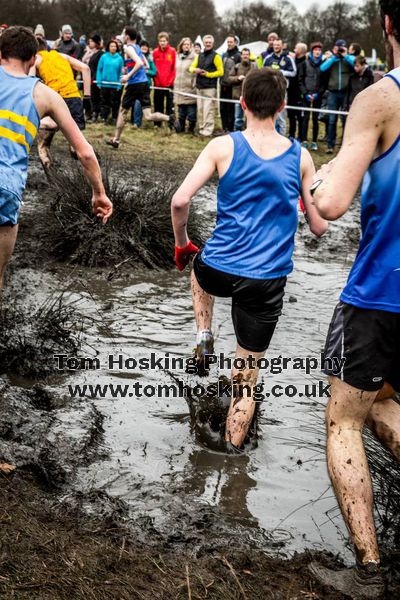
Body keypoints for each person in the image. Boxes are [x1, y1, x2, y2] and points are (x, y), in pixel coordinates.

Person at [171, 68, 327, 450]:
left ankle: (204, 335)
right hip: (266, 281)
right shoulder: (300, 156)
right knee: (246, 379)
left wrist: (182, 242)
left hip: (218, 268)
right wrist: (316, 185)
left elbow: (179, 200)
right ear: (283, 106)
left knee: (198, 264)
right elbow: (319, 227)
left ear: (241, 103)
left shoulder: (223, 147)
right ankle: (232, 456)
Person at [308, 2, 400, 597]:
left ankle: (368, 569)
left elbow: (333, 203)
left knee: (344, 419)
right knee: (385, 405)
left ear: (388, 25)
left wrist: (315, 177)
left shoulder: (380, 98)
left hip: (382, 292)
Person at [0, 26, 112, 288]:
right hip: (6, 187)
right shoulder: (44, 94)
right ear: (32, 60)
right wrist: (99, 193)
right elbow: (84, 151)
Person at [106, 27, 177, 149]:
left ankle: (116, 140)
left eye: (123, 34)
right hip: (144, 83)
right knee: (148, 115)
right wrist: (128, 68)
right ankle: (169, 118)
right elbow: (146, 64)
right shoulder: (138, 47)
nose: (122, 36)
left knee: (122, 111)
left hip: (134, 85)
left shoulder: (127, 47)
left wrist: (128, 75)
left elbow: (139, 63)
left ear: (127, 36)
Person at [32, 37, 91, 168]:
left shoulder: (36, 59)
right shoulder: (61, 56)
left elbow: (29, 81)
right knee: (78, 148)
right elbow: (86, 68)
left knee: (43, 145)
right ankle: (95, 171)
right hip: (74, 99)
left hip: (56, 101)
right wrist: (87, 97)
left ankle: (52, 179)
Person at [320, 39, 355, 153]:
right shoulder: (332, 59)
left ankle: (344, 145)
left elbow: (355, 64)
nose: (340, 50)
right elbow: (322, 68)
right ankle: (330, 145)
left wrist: (346, 56)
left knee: (345, 119)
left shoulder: (349, 59)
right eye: (338, 48)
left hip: (346, 93)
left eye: (342, 48)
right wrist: (334, 57)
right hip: (333, 92)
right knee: (332, 120)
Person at [189, 35, 223, 137]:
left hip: (210, 87)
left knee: (208, 110)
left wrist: (208, 74)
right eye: (206, 42)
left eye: (209, 42)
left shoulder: (216, 56)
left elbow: (221, 72)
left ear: (212, 44)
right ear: (203, 43)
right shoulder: (200, 55)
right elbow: (191, 67)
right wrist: (195, 70)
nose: (208, 44)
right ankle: (201, 129)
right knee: (200, 110)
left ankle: (208, 130)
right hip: (199, 87)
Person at [263, 39, 296, 135]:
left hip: (282, 90)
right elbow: (263, 71)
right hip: (269, 90)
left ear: (282, 46)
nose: (276, 47)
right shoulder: (268, 58)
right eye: (275, 45)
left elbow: (294, 72)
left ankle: (282, 138)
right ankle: (270, 136)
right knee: (269, 114)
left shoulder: (288, 58)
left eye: (278, 45)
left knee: (281, 116)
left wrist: (280, 71)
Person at [299, 41, 326, 150]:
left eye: (319, 50)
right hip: (306, 94)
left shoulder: (324, 64)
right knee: (305, 118)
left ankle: (314, 141)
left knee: (315, 119)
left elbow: (324, 82)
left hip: (317, 96)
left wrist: (318, 94)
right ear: (312, 51)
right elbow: (300, 80)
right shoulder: (305, 63)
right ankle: (304, 140)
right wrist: (305, 93)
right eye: (315, 50)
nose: (317, 52)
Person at [97, 39, 124, 124]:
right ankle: (104, 117)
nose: (113, 48)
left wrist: (119, 84)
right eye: (111, 46)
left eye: (115, 46)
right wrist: (99, 81)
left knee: (115, 103)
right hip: (105, 84)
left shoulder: (119, 58)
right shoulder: (104, 57)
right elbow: (99, 69)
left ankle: (114, 118)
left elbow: (121, 72)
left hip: (115, 85)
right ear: (108, 47)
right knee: (104, 102)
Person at [228, 48, 256, 131]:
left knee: (250, 116)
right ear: (241, 55)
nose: (245, 56)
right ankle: (238, 131)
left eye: (247, 54)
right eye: (244, 54)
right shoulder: (236, 66)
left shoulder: (254, 66)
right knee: (238, 117)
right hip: (238, 95)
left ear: (249, 55)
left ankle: (249, 131)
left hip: (251, 96)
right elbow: (229, 78)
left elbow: (259, 78)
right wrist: (238, 78)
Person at [152, 32, 176, 126]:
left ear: (167, 41)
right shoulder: (155, 52)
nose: (162, 43)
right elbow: (153, 67)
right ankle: (157, 124)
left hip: (169, 85)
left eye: (164, 41)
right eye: (161, 41)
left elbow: (173, 68)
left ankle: (171, 124)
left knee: (170, 106)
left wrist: (170, 82)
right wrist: (156, 81)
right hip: (158, 84)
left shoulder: (172, 51)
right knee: (158, 105)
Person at [132, 40, 157, 128]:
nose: (144, 48)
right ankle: (136, 122)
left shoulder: (150, 59)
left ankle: (138, 122)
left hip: (146, 84)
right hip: (136, 83)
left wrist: (146, 71)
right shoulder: (135, 57)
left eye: (146, 46)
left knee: (140, 104)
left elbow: (154, 72)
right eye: (142, 46)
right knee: (135, 103)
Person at [174, 38, 197, 134]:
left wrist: (194, 84)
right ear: (181, 46)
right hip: (179, 87)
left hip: (190, 87)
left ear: (191, 46)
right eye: (184, 44)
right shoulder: (177, 57)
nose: (186, 46)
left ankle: (191, 129)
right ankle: (181, 128)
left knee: (191, 113)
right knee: (181, 112)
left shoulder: (195, 57)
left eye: (188, 44)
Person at [220, 34, 241, 133]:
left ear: (235, 42)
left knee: (231, 108)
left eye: (231, 42)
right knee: (222, 107)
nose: (229, 44)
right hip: (223, 84)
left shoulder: (238, 55)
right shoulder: (224, 54)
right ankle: (224, 128)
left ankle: (231, 128)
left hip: (233, 86)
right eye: (228, 42)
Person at [287, 42, 307, 141]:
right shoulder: (293, 61)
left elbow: (302, 79)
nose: (294, 49)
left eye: (296, 48)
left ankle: (300, 136)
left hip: (300, 94)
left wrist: (303, 92)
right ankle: (291, 134)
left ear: (301, 51)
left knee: (300, 117)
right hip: (291, 92)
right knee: (291, 115)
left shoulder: (305, 63)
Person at [83, 34, 103, 122]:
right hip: (88, 77)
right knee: (88, 97)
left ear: (96, 42)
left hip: (94, 78)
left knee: (95, 97)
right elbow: (83, 60)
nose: (89, 43)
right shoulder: (90, 53)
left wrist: (95, 78)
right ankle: (89, 113)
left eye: (91, 41)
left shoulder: (100, 54)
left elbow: (99, 67)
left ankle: (95, 114)